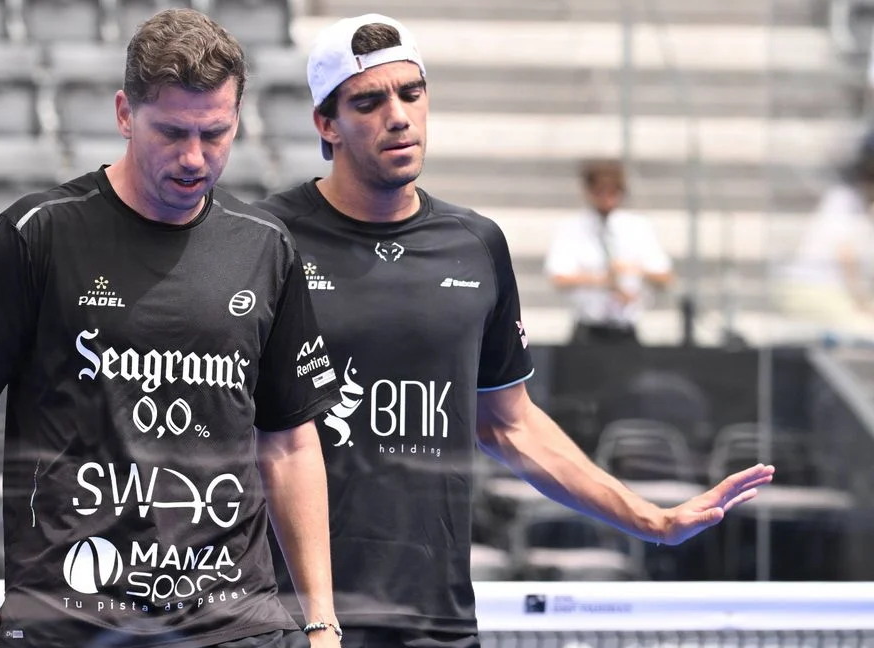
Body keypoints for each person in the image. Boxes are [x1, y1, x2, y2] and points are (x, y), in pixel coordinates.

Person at [256, 14, 775, 648]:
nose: (398, 116)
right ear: (325, 124)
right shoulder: (264, 241)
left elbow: (507, 422)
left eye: (411, 93)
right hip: (289, 621)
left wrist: (652, 519)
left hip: (434, 618)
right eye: (369, 101)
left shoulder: (475, 244)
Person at [0, 9, 342, 648]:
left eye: (214, 133)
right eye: (171, 132)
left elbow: (291, 444)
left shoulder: (266, 248)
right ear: (124, 114)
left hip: (232, 625)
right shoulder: (39, 233)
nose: (194, 157)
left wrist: (322, 622)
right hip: (67, 623)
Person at [544, 159, 674, 345]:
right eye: (600, 191)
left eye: (613, 192)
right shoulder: (572, 228)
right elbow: (559, 276)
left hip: (625, 330)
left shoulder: (637, 227)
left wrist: (632, 272)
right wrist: (603, 280)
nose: (606, 199)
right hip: (588, 330)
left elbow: (664, 276)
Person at [774, 134, 874, 342]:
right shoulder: (845, 199)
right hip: (813, 288)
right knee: (864, 328)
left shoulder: (860, 203)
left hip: (832, 291)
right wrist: (861, 303)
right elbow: (846, 255)